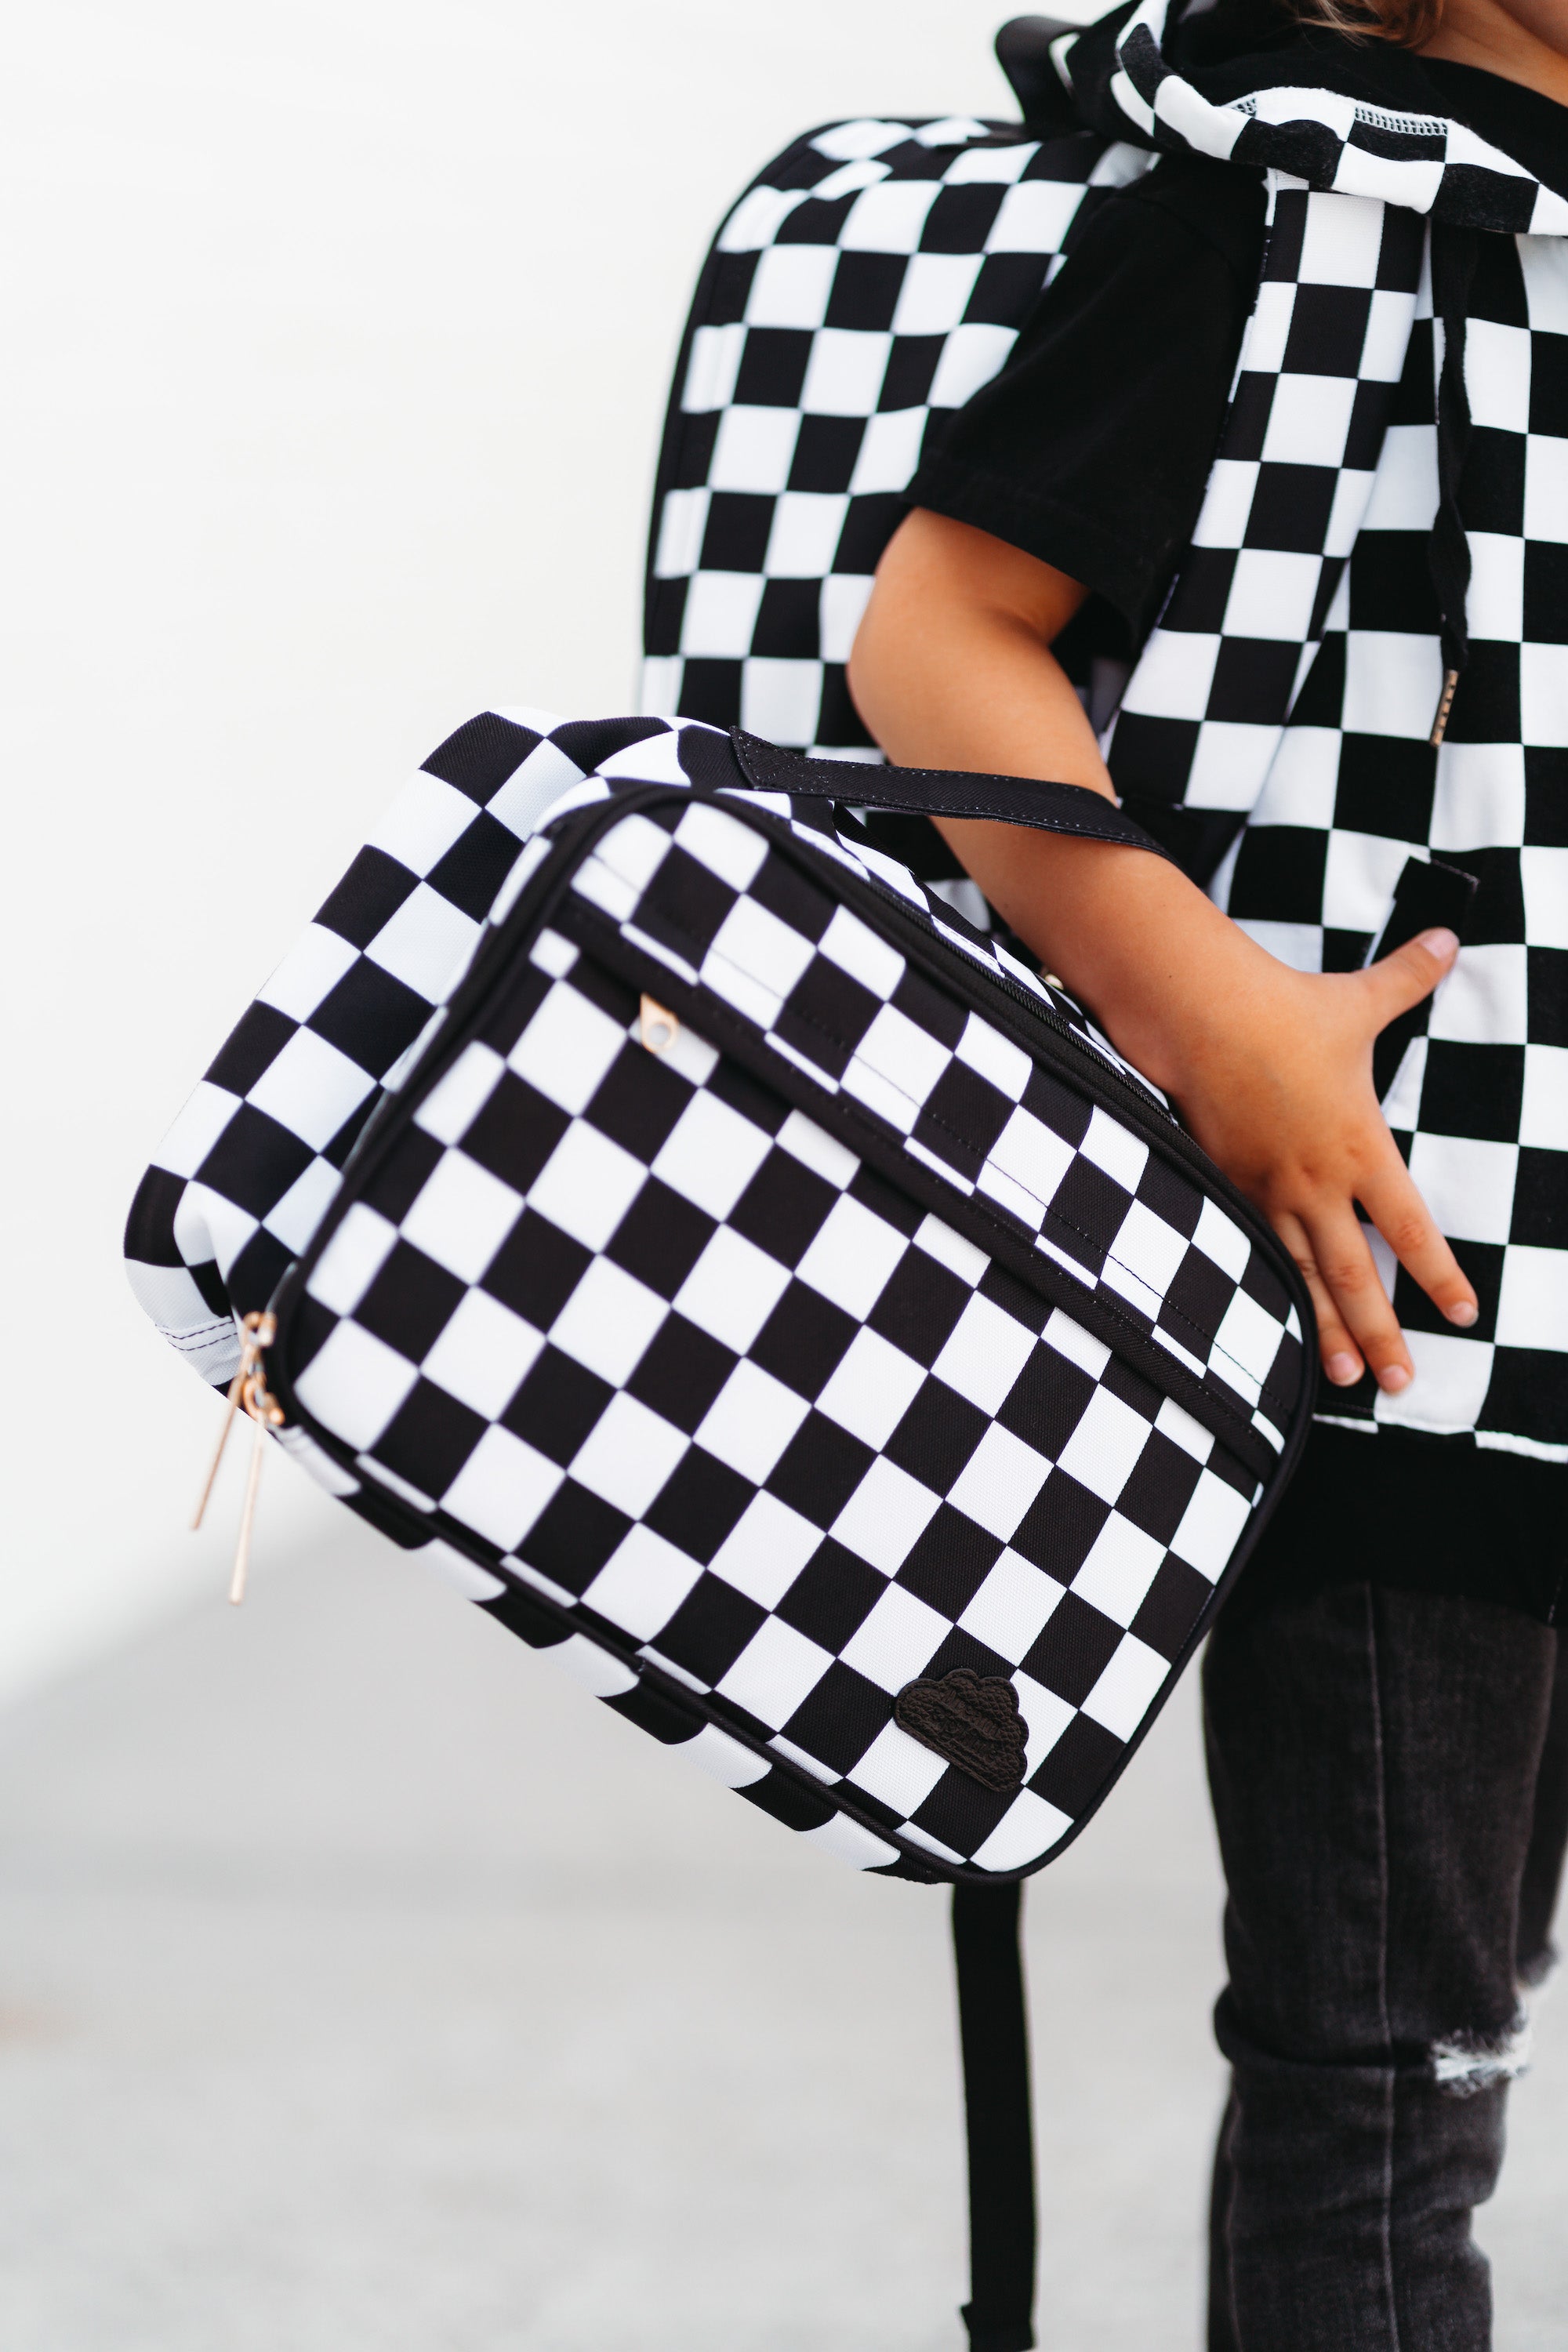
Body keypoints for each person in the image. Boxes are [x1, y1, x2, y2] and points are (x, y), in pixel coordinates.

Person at [848, 0, 1568, 2341]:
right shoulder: (1290, 188)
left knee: (1427, 2057)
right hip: (1401, 1306)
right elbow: (942, 634)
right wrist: (1211, 1008)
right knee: (1392, 2093)